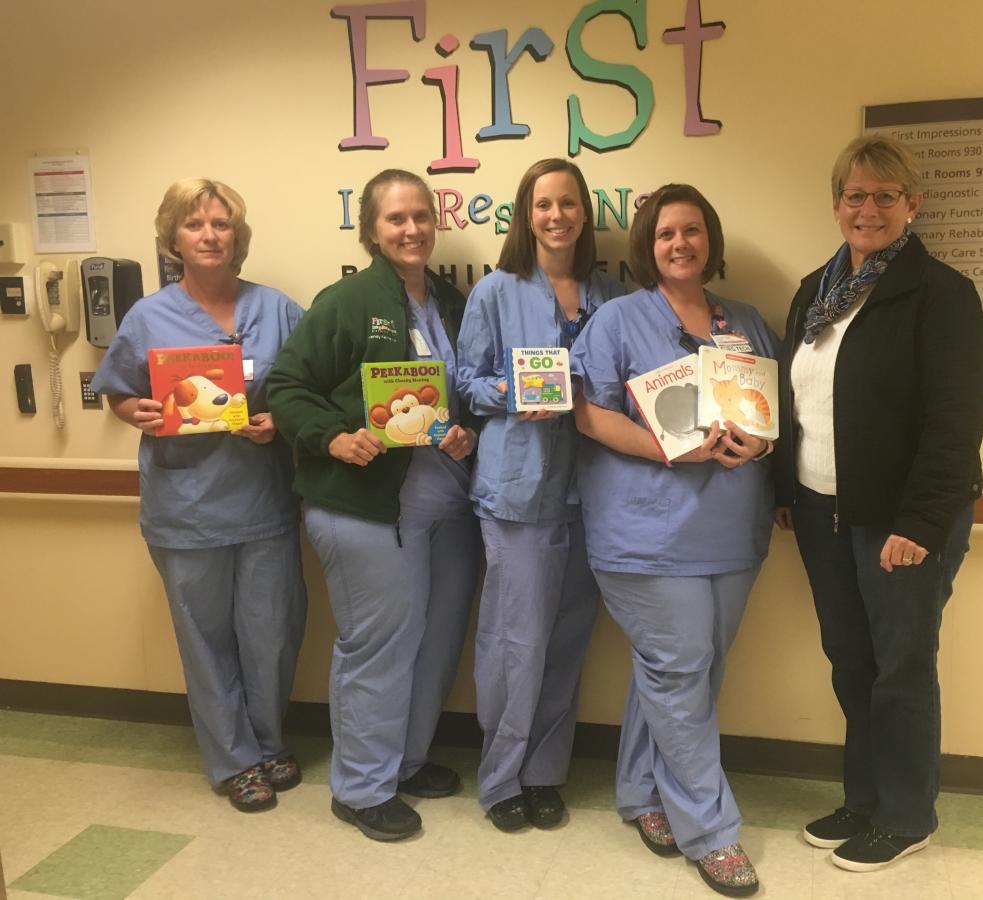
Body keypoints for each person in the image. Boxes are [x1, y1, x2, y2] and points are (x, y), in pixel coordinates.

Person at [773, 135, 983, 872]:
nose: (868, 209)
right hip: (821, 513)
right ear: (837, 204)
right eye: (855, 195)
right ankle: (863, 799)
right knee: (851, 663)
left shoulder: (943, 294)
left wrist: (920, 523)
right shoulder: (815, 291)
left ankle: (905, 814)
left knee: (900, 666)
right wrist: (782, 492)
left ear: (912, 205)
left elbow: (954, 424)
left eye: (885, 196)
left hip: (901, 524)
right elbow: (794, 404)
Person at [572, 184, 777, 897]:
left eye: (692, 231)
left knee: (685, 674)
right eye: (665, 234)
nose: (680, 244)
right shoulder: (619, 320)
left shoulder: (745, 321)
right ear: (646, 248)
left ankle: (641, 791)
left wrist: (757, 447)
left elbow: (767, 414)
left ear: (709, 240)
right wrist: (672, 453)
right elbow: (590, 417)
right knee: (679, 665)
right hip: (646, 534)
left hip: (731, 531)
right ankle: (711, 832)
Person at [266, 169, 480, 841]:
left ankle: (405, 761)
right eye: (395, 219)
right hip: (366, 508)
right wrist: (332, 436)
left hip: (443, 499)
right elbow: (285, 384)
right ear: (371, 230)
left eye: (420, 215)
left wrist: (464, 426)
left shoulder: (447, 300)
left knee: (435, 640)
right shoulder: (351, 299)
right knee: (378, 647)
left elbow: (451, 392)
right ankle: (360, 788)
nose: (411, 229)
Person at [91, 178, 308, 813]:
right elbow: (119, 393)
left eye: (221, 224)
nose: (210, 235)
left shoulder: (279, 310)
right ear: (173, 239)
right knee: (205, 638)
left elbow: (303, 392)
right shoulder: (148, 316)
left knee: (272, 633)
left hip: (264, 501)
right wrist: (140, 412)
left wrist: (281, 422)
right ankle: (234, 759)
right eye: (195, 225)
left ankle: (268, 742)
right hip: (186, 508)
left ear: (238, 236)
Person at [456, 158, 624, 831]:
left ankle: (545, 772)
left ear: (585, 213)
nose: (556, 215)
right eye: (543, 204)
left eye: (569, 203)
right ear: (526, 216)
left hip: (593, 494)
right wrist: (510, 394)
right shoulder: (497, 292)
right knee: (513, 641)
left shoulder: (609, 297)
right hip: (518, 491)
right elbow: (465, 383)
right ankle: (501, 779)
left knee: (565, 639)